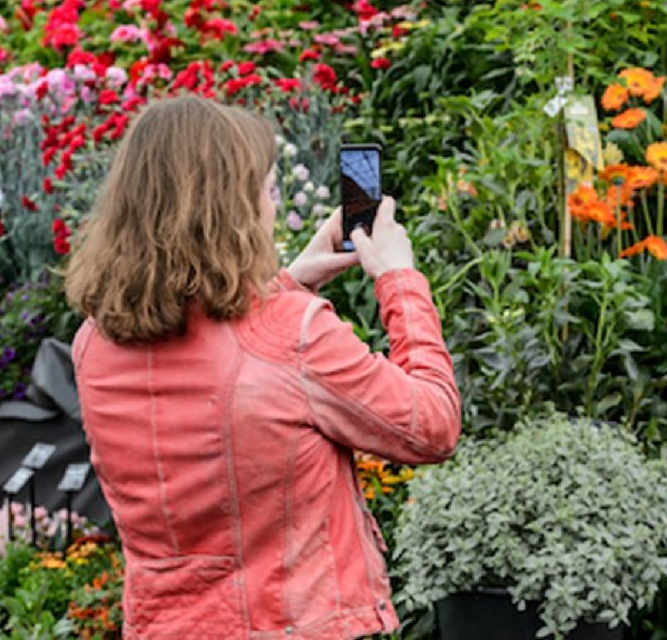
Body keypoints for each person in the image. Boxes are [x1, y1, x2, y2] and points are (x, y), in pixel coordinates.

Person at [65, 95, 461, 639]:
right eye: (267, 190)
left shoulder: (94, 343)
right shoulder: (291, 334)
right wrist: (399, 279)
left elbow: (218, 358)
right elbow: (431, 426)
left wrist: (291, 281)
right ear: (229, 207)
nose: (272, 206)